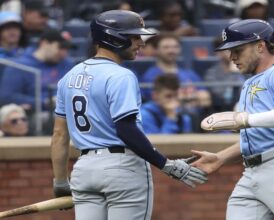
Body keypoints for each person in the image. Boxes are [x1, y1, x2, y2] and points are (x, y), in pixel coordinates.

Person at [51, 10, 207, 220]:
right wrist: (166, 164)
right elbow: (126, 129)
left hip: (84, 171)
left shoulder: (68, 77)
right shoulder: (121, 75)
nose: (141, 43)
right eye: (134, 37)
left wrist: (60, 181)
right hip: (122, 169)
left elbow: (60, 136)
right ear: (114, 38)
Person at [191, 19, 274, 220]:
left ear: (260, 46)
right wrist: (222, 157)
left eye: (238, 50)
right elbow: (259, 132)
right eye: (230, 51)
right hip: (252, 172)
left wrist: (245, 119)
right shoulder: (250, 82)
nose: (232, 57)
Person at [0, 28, 74, 111]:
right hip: (35, 114)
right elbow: (6, 96)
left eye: (67, 49)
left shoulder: (67, 64)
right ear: (44, 43)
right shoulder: (20, 65)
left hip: (65, 112)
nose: (64, 53)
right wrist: (45, 102)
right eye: (61, 47)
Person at [204, 36, 245, 112]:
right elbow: (222, 95)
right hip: (223, 110)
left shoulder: (246, 68)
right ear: (218, 53)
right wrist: (233, 74)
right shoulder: (211, 73)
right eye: (228, 50)